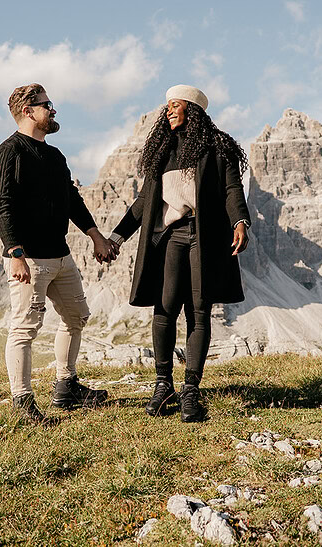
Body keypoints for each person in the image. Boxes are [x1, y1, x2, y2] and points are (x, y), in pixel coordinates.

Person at [109, 85, 250, 422]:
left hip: (205, 235)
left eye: (175, 106)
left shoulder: (218, 148)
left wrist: (240, 221)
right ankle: (163, 385)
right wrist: (116, 236)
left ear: (193, 110)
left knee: (199, 311)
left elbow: (232, 189)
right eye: (167, 106)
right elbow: (145, 201)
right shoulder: (161, 151)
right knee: (165, 306)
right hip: (171, 236)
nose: (169, 111)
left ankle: (191, 391)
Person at [0, 83, 117, 422]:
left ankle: (66, 386)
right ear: (29, 111)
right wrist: (15, 253)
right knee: (24, 328)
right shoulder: (9, 152)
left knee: (77, 318)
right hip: (28, 259)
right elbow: (0, 204)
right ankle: (23, 403)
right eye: (47, 104)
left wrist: (96, 236)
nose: (53, 109)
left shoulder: (56, 156)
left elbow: (71, 200)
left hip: (61, 257)